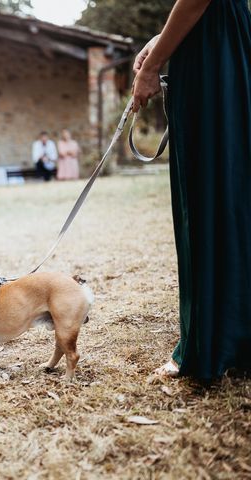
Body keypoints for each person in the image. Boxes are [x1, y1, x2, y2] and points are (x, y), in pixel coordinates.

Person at [132, 0, 251, 380]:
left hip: (212, 54)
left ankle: (215, 340)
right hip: (220, 42)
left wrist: (151, 67)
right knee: (230, 188)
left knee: (210, 193)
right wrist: (162, 40)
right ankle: (231, 331)